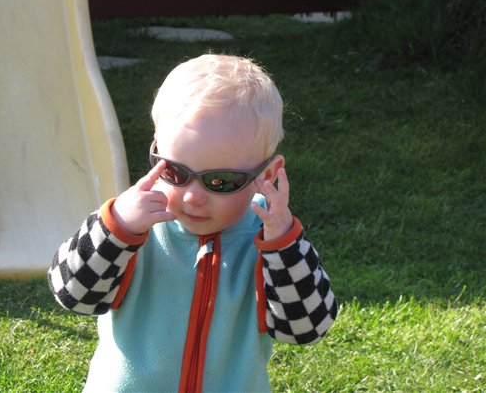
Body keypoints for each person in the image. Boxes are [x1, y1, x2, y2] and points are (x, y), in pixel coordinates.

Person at [48, 54, 338, 392]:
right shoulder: (133, 227)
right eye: (175, 172)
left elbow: (307, 328)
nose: (192, 196)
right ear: (157, 150)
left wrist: (283, 244)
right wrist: (116, 229)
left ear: (267, 175)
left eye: (220, 181)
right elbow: (73, 294)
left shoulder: (267, 241)